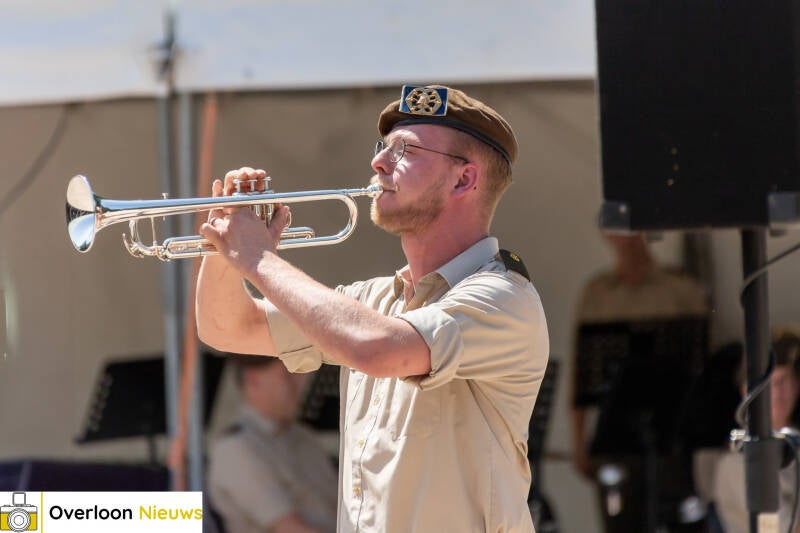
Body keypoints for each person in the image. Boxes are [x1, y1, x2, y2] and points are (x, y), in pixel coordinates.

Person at [195, 85, 549, 532]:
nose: (378, 162)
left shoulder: (504, 297)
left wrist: (258, 258)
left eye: (405, 150)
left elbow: (377, 349)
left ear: (464, 179)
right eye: (383, 147)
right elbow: (227, 328)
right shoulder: (374, 301)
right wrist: (222, 242)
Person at [570, 232, 709, 532]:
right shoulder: (597, 293)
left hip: (671, 433)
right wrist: (578, 441)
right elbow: (581, 372)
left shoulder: (680, 288)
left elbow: (701, 364)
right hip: (613, 434)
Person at [207, 355, 338, 533]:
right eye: (288, 375)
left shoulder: (305, 437)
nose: (300, 384)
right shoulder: (236, 448)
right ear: (253, 380)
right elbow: (289, 528)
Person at [713, 330, 800, 533]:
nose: (778, 393)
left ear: (796, 385)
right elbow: (780, 528)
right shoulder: (737, 460)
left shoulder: (795, 442)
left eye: (784, 380)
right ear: (747, 392)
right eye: (770, 383)